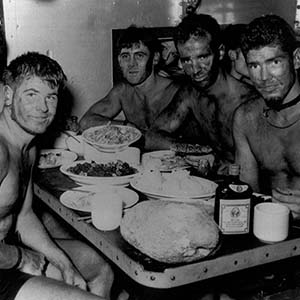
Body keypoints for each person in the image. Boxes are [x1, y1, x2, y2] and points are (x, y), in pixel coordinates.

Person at [0, 51, 118, 300]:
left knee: (100, 269)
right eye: (31, 95)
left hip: (7, 250)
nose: (43, 108)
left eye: (50, 97)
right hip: (3, 265)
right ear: (8, 96)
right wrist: (21, 258)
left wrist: (63, 262)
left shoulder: (27, 148)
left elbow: (23, 215)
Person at [148, 13, 258, 174]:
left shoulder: (248, 101)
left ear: (220, 52)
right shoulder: (190, 93)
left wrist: (217, 163)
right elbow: (152, 137)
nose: (195, 69)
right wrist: (193, 151)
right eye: (187, 60)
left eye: (203, 57)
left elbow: (266, 170)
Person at [79, 25, 201, 150]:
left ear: (155, 58)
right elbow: (86, 122)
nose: (132, 64)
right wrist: (126, 126)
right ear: (119, 61)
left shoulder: (178, 92)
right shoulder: (122, 91)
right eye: (125, 56)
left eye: (139, 55)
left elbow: (197, 143)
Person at [233, 14, 300, 219]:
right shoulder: (246, 119)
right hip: (269, 229)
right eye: (254, 66)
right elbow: (246, 196)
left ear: (296, 59)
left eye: (274, 62)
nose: (263, 78)